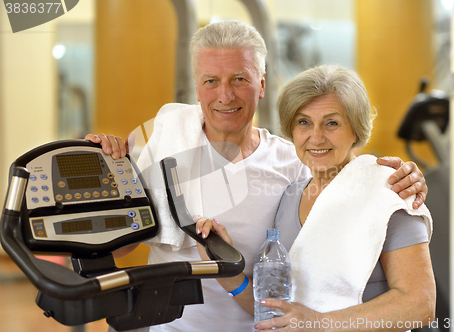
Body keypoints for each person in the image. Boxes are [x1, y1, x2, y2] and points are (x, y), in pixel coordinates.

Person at [86, 21, 429, 332]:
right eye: (211, 81)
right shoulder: (159, 138)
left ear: (261, 85)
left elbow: (416, 299)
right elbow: (121, 241)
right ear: (197, 87)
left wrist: (401, 177)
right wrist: (99, 165)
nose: (225, 95)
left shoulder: (294, 166)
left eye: (240, 79)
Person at [196, 64, 435, 331]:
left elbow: (419, 303)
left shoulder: (389, 192)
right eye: (303, 123)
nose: (316, 137)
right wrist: (226, 270)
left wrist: (320, 323)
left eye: (332, 123)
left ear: (356, 129)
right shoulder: (289, 197)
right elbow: (277, 313)